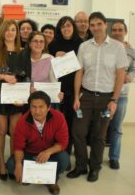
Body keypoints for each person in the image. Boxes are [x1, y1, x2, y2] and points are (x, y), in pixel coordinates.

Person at [67, 12, 128, 182]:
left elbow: (120, 75)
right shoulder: (84, 46)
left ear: (104, 25)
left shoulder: (117, 47)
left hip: (106, 98)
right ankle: (80, 166)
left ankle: (95, 167)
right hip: (85, 96)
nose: (95, 27)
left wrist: (114, 100)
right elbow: (80, 71)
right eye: (92, 25)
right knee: (78, 131)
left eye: (98, 24)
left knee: (99, 135)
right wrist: (77, 97)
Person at [6, 91, 69, 195]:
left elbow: (63, 142)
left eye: (41, 107)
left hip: (50, 154)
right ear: (29, 107)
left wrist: (48, 152)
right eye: (33, 107)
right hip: (29, 154)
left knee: (64, 159)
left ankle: (52, 180)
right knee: (11, 164)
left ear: (48, 107)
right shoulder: (22, 121)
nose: (37, 111)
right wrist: (18, 164)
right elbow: (18, 147)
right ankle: (29, 176)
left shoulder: (59, 117)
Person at [0, 19, 25, 180]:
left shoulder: (22, 51)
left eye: (13, 30)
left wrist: (22, 93)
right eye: (7, 30)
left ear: (17, 33)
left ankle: (12, 163)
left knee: (14, 132)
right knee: (1, 131)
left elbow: (25, 75)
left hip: (17, 98)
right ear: (2, 32)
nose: (10, 33)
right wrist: (3, 76)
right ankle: (1, 163)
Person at [48, 16, 83, 163]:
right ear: (59, 29)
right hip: (56, 89)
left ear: (73, 27)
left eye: (68, 25)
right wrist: (54, 57)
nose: (66, 28)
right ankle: (52, 152)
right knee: (54, 122)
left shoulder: (81, 44)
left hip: (74, 89)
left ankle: (66, 155)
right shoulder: (53, 44)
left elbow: (83, 68)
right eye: (63, 26)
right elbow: (47, 66)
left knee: (69, 124)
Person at [108, 20, 135, 169]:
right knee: (100, 127)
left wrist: (130, 76)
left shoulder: (131, 51)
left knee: (117, 128)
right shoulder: (106, 48)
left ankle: (114, 157)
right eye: (115, 30)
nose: (117, 32)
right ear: (111, 32)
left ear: (125, 32)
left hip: (122, 95)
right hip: (106, 93)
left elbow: (133, 68)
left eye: (120, 30)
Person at [21, 31, 63, 106]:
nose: (38, 44)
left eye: (41, 41)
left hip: (45, 100)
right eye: (35, 41)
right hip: (27, 100)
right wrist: (28, 90)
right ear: (30, 43)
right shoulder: (22, 59)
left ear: (44, 44)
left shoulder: (50, 59)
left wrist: (57, 93)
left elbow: (54, 81)